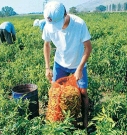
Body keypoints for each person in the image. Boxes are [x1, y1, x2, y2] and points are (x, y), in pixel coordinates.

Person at [42, 1, 92, 129]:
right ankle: (57, 123)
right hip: (60, 63)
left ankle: (85, 124)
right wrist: (47, 67)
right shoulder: (49, 25)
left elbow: (88, 48)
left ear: (65, 14)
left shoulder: (79, 24)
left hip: (77, 63)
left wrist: (80, 69)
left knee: (83, 93)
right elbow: (46, 45)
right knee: (55, 92)